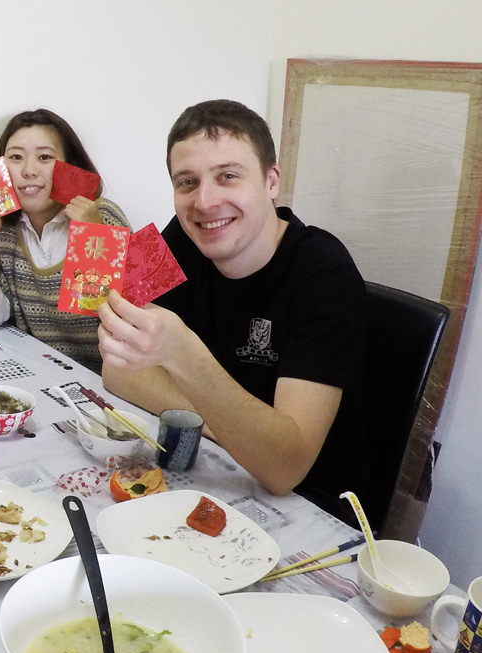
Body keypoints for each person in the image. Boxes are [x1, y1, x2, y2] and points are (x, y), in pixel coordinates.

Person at [97, 99, 366, 520]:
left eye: (227, 176)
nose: (205, 202)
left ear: (271, 180)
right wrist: (230, 426)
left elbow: (284, 468)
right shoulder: (182, 234)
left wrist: (182, 353)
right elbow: (115, 367)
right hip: (206, 468)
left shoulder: (327, 271)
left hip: (300, 507)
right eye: (187, 182)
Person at [0, 109, 129, 371]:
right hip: (43, 374)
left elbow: (123, 316)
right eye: (16, 157)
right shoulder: (4, 230)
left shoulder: (103, 215)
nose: (29, 170)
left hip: (110, 377)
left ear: (70, 166)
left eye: (44, 157)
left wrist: (95, 236)